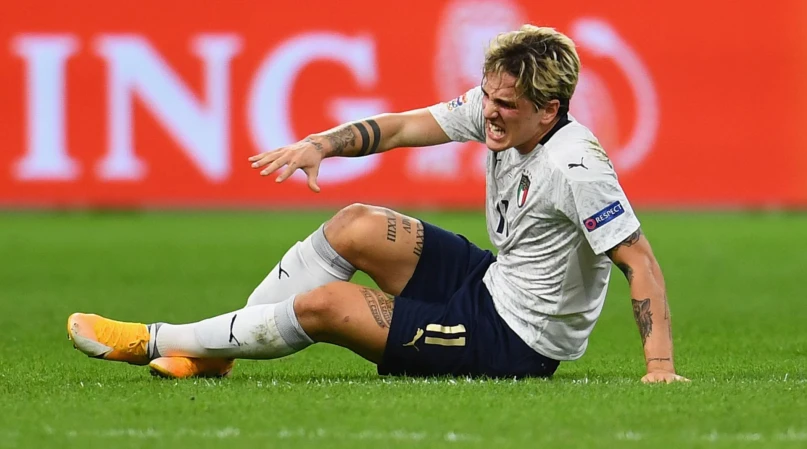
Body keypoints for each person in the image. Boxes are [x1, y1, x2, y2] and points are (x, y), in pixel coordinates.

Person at [67, 25, 688, 383]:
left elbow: (640, 262)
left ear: (549, 110)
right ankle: (214, 355)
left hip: (518, 341)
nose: (490, 114)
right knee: (356, 224)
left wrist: (659, 366)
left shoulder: (577, 167)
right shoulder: (497, 108)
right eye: (488, 97)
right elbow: (400, 128)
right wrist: (321, 144)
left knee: (326, 306)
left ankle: (152, 340)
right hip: (492, 283)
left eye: (506, 106)